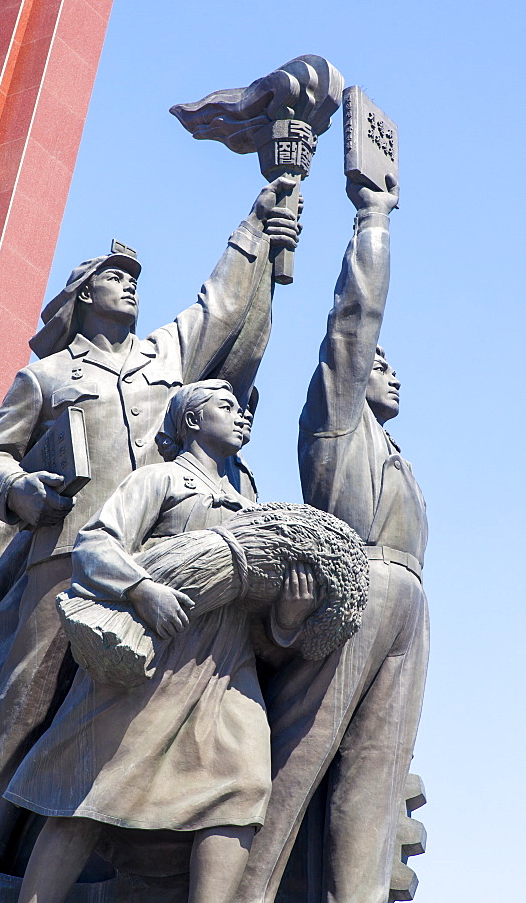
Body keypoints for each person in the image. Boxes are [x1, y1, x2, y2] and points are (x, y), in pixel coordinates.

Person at [0, 178, 302, 869]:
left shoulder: (166, 356)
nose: (128, 286)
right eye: (112, 278)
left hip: (159, 550)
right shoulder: (45, 376)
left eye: (131, 279)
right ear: (81, 298)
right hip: (67, 549)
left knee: (136, 693)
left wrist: (253, 222)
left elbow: (217, 304)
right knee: (32, 687)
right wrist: (19, 491)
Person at [6, 381, 319, 903]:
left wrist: (288, 616)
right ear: (192, 422)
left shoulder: (254, 504)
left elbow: (261, 615)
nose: (242, 417)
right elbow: (96, 543)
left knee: (242, 787)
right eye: (227, 407)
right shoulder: (161, 479)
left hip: (228, 665)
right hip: (153, 656)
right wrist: (141, 588)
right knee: (90, 792)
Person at [234, 177, 429, 903]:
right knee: (299, 758)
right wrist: (373, 219)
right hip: (360, 583)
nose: (389, 370)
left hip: (409, 602)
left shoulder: (394, 450)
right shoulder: (336, 420)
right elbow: (354, 320)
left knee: (377, 773)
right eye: (380, 363)